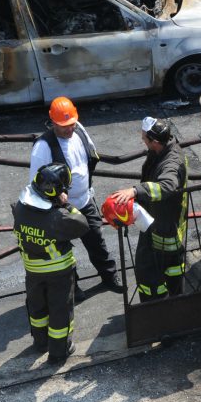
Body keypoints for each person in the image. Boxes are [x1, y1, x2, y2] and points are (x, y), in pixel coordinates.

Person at [28, 96, 122, 293]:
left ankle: (109, 276)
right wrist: (55, 198)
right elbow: (36, 184)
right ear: (53, 122)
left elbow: (91, 155)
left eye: (71, 124)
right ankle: (73, 288)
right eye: (64, 126)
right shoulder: (43, 147)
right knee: (64, 249)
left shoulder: (78, 130)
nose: (69, 129)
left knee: (96, 240)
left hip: (85, 200)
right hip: (59, 209)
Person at [12, 162, 89, 365]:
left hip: (32, 271)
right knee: (60, 311)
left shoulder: (20, 207)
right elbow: (82, 224)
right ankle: (59, 352)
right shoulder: (58, 216)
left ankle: (40, 342)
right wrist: (65, 204)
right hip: (59, 272)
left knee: (38, 308)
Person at [111, 117, 187, 301]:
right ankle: (176, 302)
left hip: (163, 228)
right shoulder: (161, 149)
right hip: (162, 222)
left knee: (149, 274)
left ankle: (155, 308)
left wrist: (135, 191)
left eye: (144, 137)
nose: (142, 139)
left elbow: (168, 185)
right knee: (173, 270)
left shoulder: (171, 162)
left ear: (154, 141)